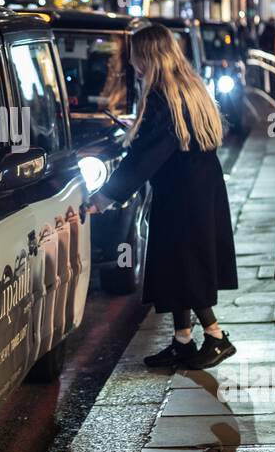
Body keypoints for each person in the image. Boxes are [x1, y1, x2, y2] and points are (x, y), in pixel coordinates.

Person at [85, 23, 238, 370]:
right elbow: (169, 139)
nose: (132, 61)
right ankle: (182, 340)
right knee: (173, 263)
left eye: (135, 54)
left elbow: (148, 155)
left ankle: (215, 336)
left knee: (186, 265)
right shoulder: (188, 83)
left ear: (148, 55)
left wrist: (105, 196)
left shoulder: (161, 94)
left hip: (184, 193)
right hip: (196, 187)